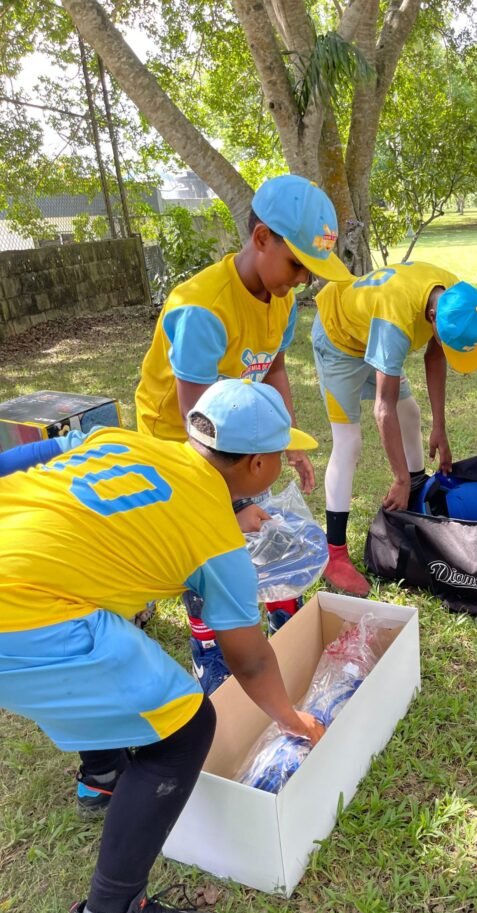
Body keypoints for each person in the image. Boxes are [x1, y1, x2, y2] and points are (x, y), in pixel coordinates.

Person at [0, 378, 325, 913]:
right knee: (185, 728)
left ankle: (103, 777)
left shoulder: (125, 441)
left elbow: (40, 455)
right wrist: (292, 718)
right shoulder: (217, 545)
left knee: (116, 656)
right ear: (257, 464)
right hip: (23, 615)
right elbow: (250, 660)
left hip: (20, 561)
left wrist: (229, 512)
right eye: (279, 455)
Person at [134, 174, 350, 697]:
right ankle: (210, 650)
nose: (303, 279)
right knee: (209, 546)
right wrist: (226, 508)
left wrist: (285, 442)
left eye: (311, 269)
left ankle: (283, 616)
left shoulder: (280, 299)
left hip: (241, 431)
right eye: (297, 264)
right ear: (261, 238)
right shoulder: (202, 309)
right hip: (182, 440)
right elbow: (200, 428)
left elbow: (273, 368)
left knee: (264, 526)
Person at [312, 262, 477, 595]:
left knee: (410, 412)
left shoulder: (456, 298)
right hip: (339, 337)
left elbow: (435, 356)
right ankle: (334, 553)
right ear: (432, 318)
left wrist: (440, 428)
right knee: (349, 443)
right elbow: (383, 410)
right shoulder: (396, 320)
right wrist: (398, 478)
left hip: (372, 332)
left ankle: (415, 497)